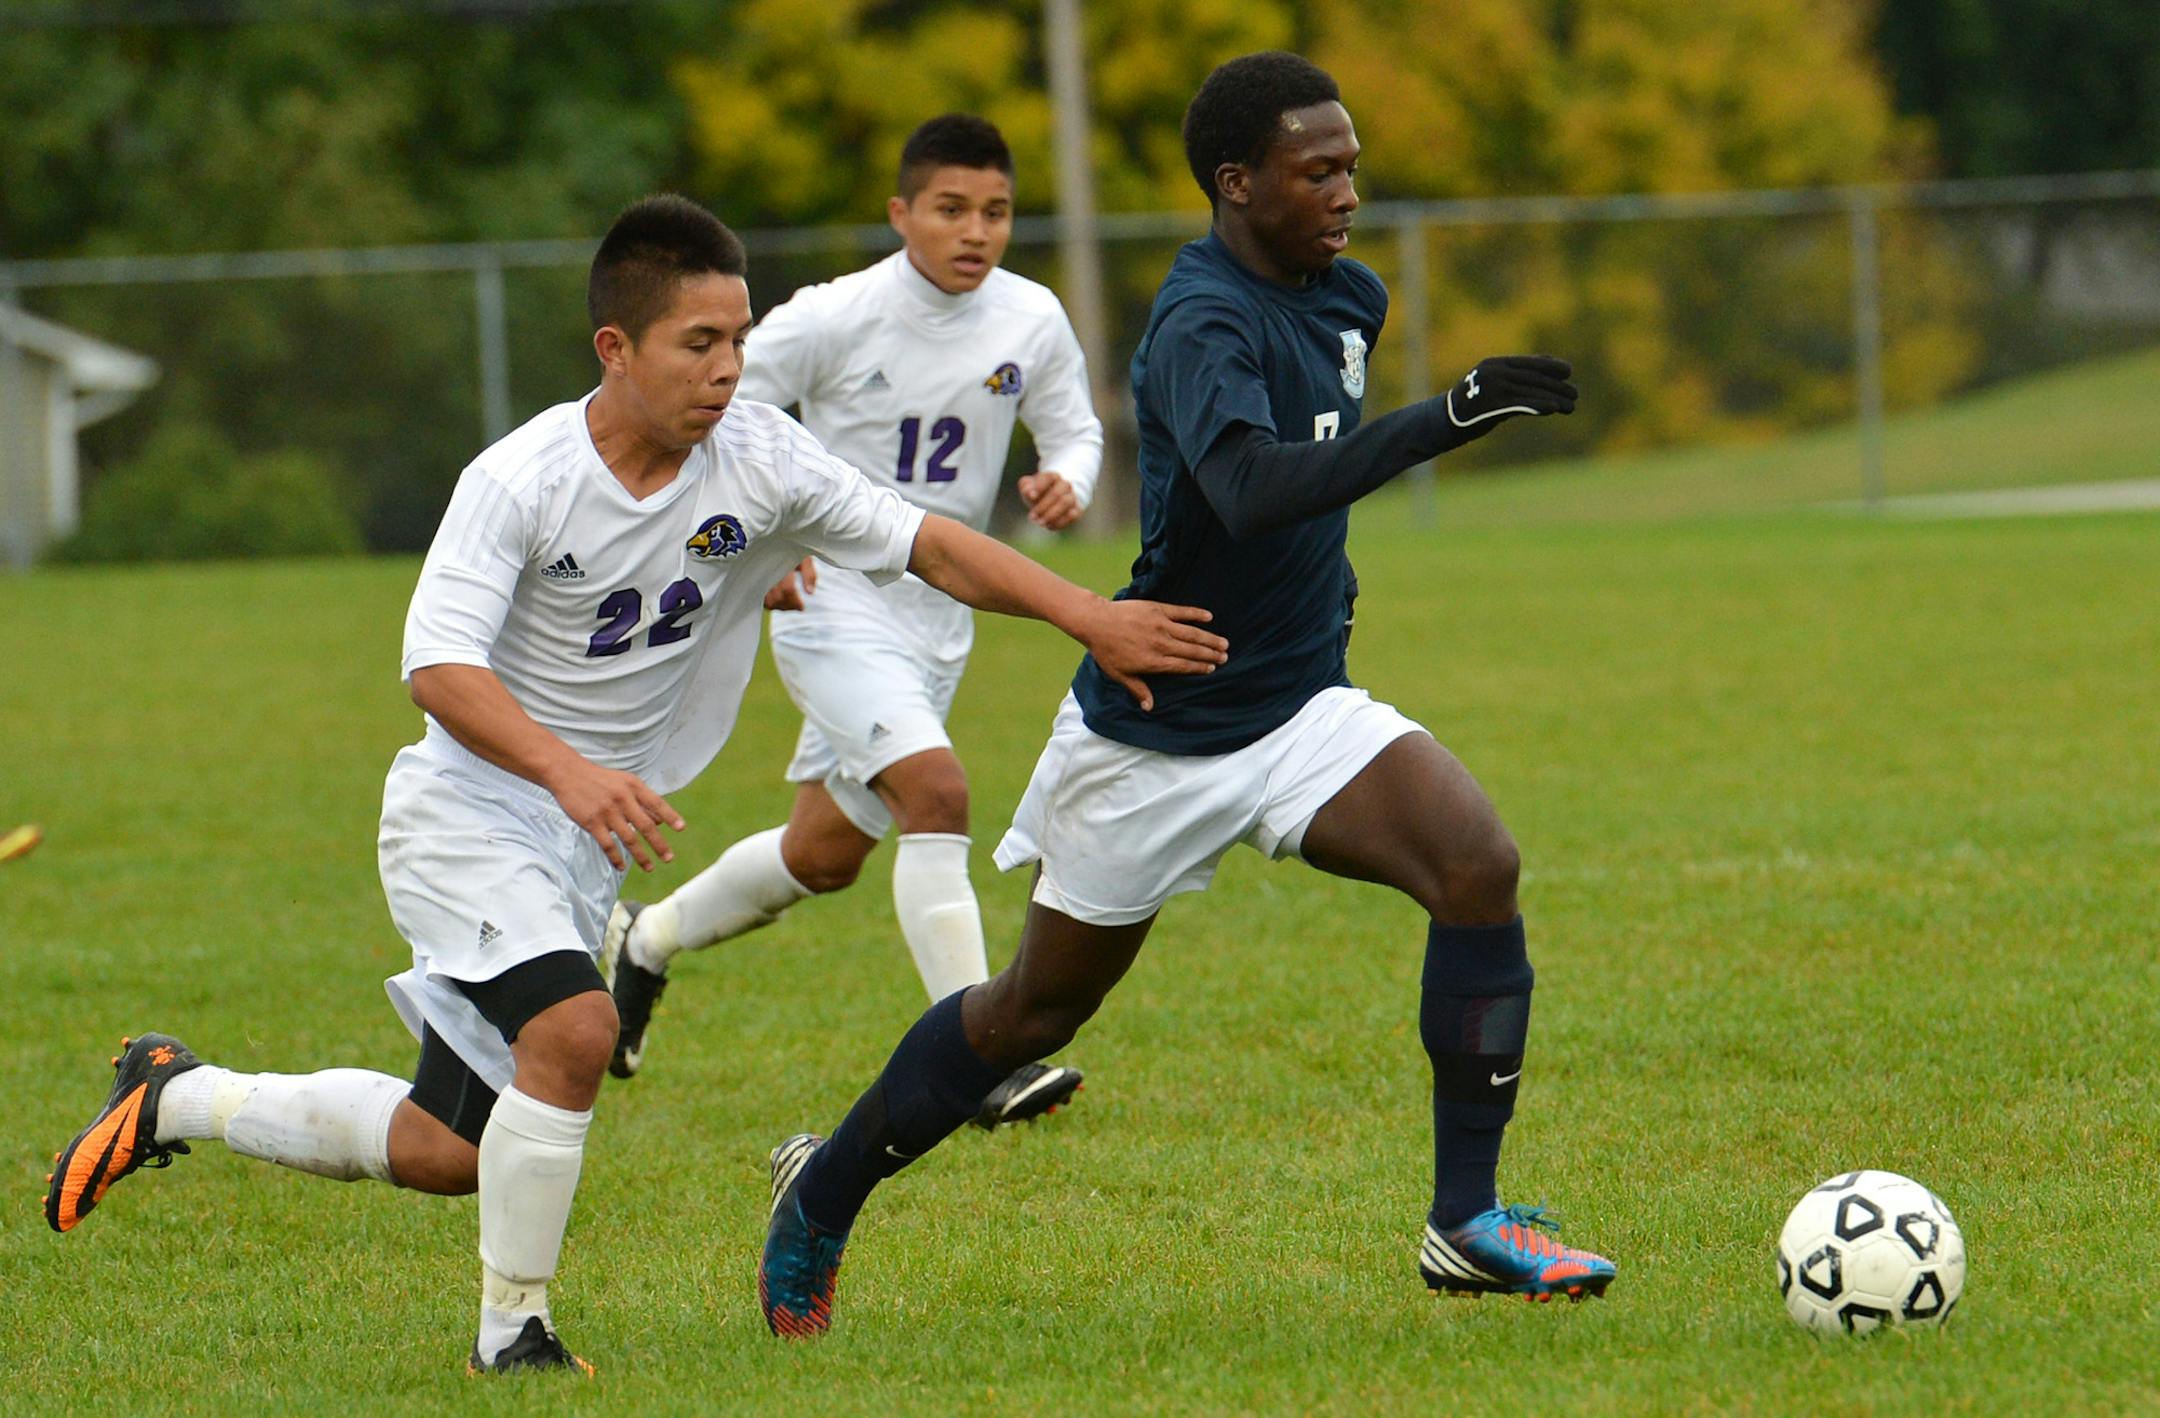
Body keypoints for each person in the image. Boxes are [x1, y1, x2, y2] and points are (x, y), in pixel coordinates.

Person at [41, 194, 1226, 1375]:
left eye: (740, 339)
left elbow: (931, 543)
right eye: (698, 344)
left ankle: (178, 1096)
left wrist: (1089, 613)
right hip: (471, 810)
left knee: (451, 1147)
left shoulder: (760, 457)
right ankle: (516, 1339)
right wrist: (571, 773)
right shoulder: (522, 478)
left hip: (584, 833)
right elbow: (435, 667)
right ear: (615, 348)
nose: (728, 369)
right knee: (576, 1030)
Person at [754, 52, 1616, 1340]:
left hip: (1298, 710)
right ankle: (820, 1194)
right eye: (1316, 171)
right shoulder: (1196, 323)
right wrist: (1452, 413)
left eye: (1353, 168)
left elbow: (1304, 494)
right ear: (1235, 183)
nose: (1346, 192)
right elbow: (1253, 488)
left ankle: (1465, 1219)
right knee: (1027, 1011)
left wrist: (1329, 596)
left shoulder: (1350, 296)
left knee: (1476, 862)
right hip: (1154, 731)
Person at [603, 115, 1100, 1130]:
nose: (977, 231)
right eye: (952, 209)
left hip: (943, 612)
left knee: (822, 854)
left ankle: (645, 940)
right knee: (940, 788)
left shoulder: (1032, 317)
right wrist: (757, 547)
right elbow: (721, 408)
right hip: (835, 602)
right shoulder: (836, 316)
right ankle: (979, 1059)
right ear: (901, 214)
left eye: (997, 212)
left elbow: (1076, 424)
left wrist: (1070, 477)